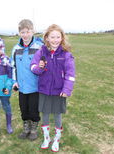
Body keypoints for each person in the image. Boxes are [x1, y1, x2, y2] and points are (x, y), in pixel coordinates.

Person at [30, 24, 76, 152]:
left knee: (57, 115)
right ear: (47, 38)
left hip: (59, 91)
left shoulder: (66, 54)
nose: (55, 40)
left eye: (58, 37)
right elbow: (33, 66)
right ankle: (46, 138)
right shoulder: (41, 51)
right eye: (52, 37)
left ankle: (56, 138)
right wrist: (40, 68)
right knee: (44, 114)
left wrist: (67, 89)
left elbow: (70, 74)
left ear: (62, 38)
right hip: (44, 89)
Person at [11, 19, 43, 140]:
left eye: (28, 31)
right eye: (22, 32)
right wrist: (15, 82)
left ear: (33, 31)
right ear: (19, 33)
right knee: (24, 109)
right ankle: (26, 128)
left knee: (33, 109)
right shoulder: (15, 49)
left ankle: (34, 129)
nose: (25, 35)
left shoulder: (40, 47)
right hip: (22, 87)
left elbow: (44, 66)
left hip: (35, 86)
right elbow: (12, 67)